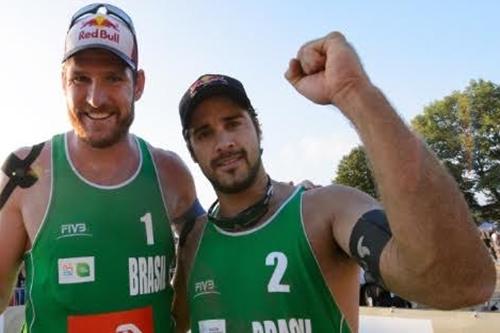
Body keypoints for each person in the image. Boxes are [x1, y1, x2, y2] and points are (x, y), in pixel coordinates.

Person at [173, 32, 497, 333]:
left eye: (233, 123)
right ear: (192, 151)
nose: (224, 141)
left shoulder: (323, 210)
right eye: (205, 133)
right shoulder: (194, 240)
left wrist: (354, 92)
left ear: (258, 131)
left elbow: (462, 282)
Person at [0, 3, 203, 332]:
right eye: (80, 78)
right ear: (63, 81)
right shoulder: (25, 172)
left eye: (112, 78)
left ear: (138, 84)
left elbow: (213, 253)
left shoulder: (170, 172)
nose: (96, 99)